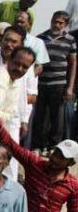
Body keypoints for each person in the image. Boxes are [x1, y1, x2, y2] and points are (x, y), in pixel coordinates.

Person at [0, 26, 35, 179]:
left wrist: (24, 120)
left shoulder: (17, 77)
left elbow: (24, 98)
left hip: (9, 127)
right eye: (17, 64)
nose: (19, 68)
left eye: (24, 67)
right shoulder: (1, 74)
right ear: (10, 60)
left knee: (9, 168)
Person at [32, 11, 77, 151]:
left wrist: (70, 87)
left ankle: (53, 147)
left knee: (57, 119)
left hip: (59, 85)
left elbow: (73, 64)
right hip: (41, 84)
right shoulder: (40, 38)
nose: (56, 25)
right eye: (54, 21)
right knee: (40, 117)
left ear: (66, 25)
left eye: (60, 23)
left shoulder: (70, 40)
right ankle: (38, 146)